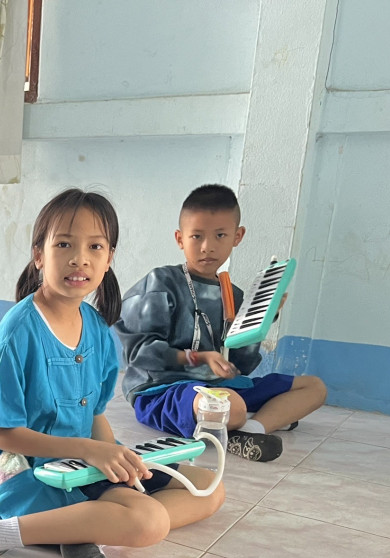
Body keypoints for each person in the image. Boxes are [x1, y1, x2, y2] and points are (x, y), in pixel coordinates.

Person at [0, 189, 225, 558]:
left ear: (108, 259)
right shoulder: (17, 332)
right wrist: (89, 451)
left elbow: (96, 414)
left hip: (85, 463)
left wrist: (113, 461)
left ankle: (78, 528)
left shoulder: (99, 331)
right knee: (149, 522)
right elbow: (1, 434)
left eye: (95, 247)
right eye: (64, 244)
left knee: (209, 487)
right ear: (39, 255)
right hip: (31, 473)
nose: (79, 258)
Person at [114, 183, 327, 462]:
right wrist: (199, 357)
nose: (208, 247)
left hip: (220, 389)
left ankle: (248, 430)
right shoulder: (161, 282)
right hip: (164, 391)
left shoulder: (233, 295)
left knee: (313, 387)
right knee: (231, 406)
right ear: (180, 239)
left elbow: (242, 366)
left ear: (237, 236)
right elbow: (138, 353)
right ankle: (253, 419)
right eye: (196, 236)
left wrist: (262, 320)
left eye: (220, 235)